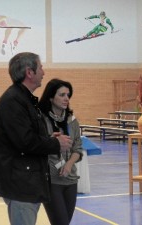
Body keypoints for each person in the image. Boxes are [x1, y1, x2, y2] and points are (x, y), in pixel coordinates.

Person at [0, 52, 73, 225]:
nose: (44, 72)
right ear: (29, 72)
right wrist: (55, 143)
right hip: (21, 183)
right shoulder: (13, 101)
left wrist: (49, 137)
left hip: (27, 180)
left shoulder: (24, 99)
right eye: (40, 67)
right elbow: (25, 142)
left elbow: (27, 135)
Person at [38, 79, 84, 225]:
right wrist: (51, 141)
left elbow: (77, 148)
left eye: (68, 95)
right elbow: (36, 146)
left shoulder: (72, 120)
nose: (66, 98)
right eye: (62, 94)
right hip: (51, 180)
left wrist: (69, 164)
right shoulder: (41, 120)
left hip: (70, 179)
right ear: (51, 97)